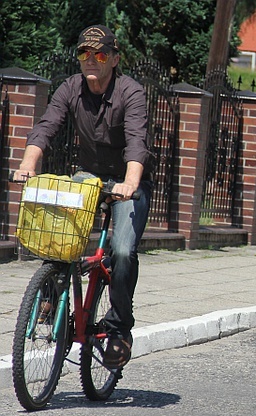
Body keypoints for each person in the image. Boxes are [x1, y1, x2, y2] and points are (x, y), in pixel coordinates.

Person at [13, 25, 152, 368]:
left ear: (115, 59)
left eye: (100, 54)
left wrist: (130, 183)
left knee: (121, 250)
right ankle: (49, 292)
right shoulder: (70, 88)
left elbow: (137, 140)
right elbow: (47, 125)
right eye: (84, 53)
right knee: (58, 233)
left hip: (126, 180)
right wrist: (28, 164)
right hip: (89, 176)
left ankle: (119, 328)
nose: (91, 60)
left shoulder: (130, 92)